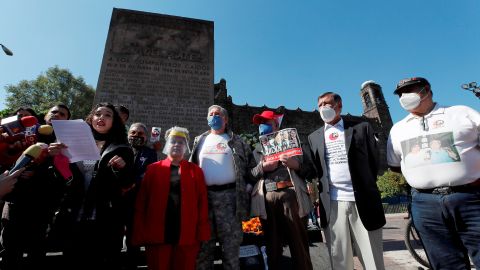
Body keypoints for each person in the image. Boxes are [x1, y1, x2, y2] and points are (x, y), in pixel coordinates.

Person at [387, 77, 480, 269]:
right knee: (445, 263)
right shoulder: (397, 129)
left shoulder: (461, 113)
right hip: (425, 204)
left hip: (470, 198)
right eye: (401, 94)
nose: (404, 97)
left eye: (409, 91)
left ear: (426, 90)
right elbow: (395, 165)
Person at [308, 92, 385, 270]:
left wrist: (364, 185)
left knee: (372, 258)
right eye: (319, 105)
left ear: (339, 106)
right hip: (332, 203)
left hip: (363, 201)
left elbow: (374, 162)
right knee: (339, 258)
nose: (323, 108)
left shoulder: (362, 128)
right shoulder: (314, 137)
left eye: (327, 103)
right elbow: (313, 169)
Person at [56, 102, 134, 270]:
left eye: (107, 115)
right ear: (91, 118)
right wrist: (55, 157)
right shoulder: (71, 143)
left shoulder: (123, 149)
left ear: (114, 122)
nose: (101, 118)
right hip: (74, 214)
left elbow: (127, 184)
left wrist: (122, 168)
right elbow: (62, 178)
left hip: (104, 219)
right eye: (98, 114)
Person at [132, 126, 210, 270]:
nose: (176, 145)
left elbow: (202, 203)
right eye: (173, 141)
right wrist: (140, 229)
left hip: (187, 234)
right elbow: (142, 201)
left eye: (181, 142)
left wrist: (202, 230)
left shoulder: (196, 171)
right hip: (157, 233)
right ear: (167, 144)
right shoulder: (153, 169)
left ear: (186, 146)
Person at [190, 105, 255, 270]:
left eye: (217, 114)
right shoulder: (199, 140)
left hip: (231, 199)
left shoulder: (238, 141)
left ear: (225, 119)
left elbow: (251, 167)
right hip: (204, 199)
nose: (213, 116)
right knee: (204, 249)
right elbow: (191, 166)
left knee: (231, 248)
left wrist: (248, 186)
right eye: (210, 114)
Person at [250, 110, 314, 270]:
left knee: (298, 243)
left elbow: (311, 171)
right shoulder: (256, 150)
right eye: (260, 123)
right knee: (272, 246)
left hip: (291, 197)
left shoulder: (295, 143)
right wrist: (262, 167)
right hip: (267, 200)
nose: (262, 126)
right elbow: (249, 175)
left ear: (276, 125)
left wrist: (296, 165)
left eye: (266, 122)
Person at [123, 122, 157, 270]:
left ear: (146, 137)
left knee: (133, 238)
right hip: (118, 198)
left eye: (140, 134)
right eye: (133, 133)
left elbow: (149, 172)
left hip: (137, 200)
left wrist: (134, 183)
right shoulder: (120, 149)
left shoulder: (150, 153)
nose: (136, 136)